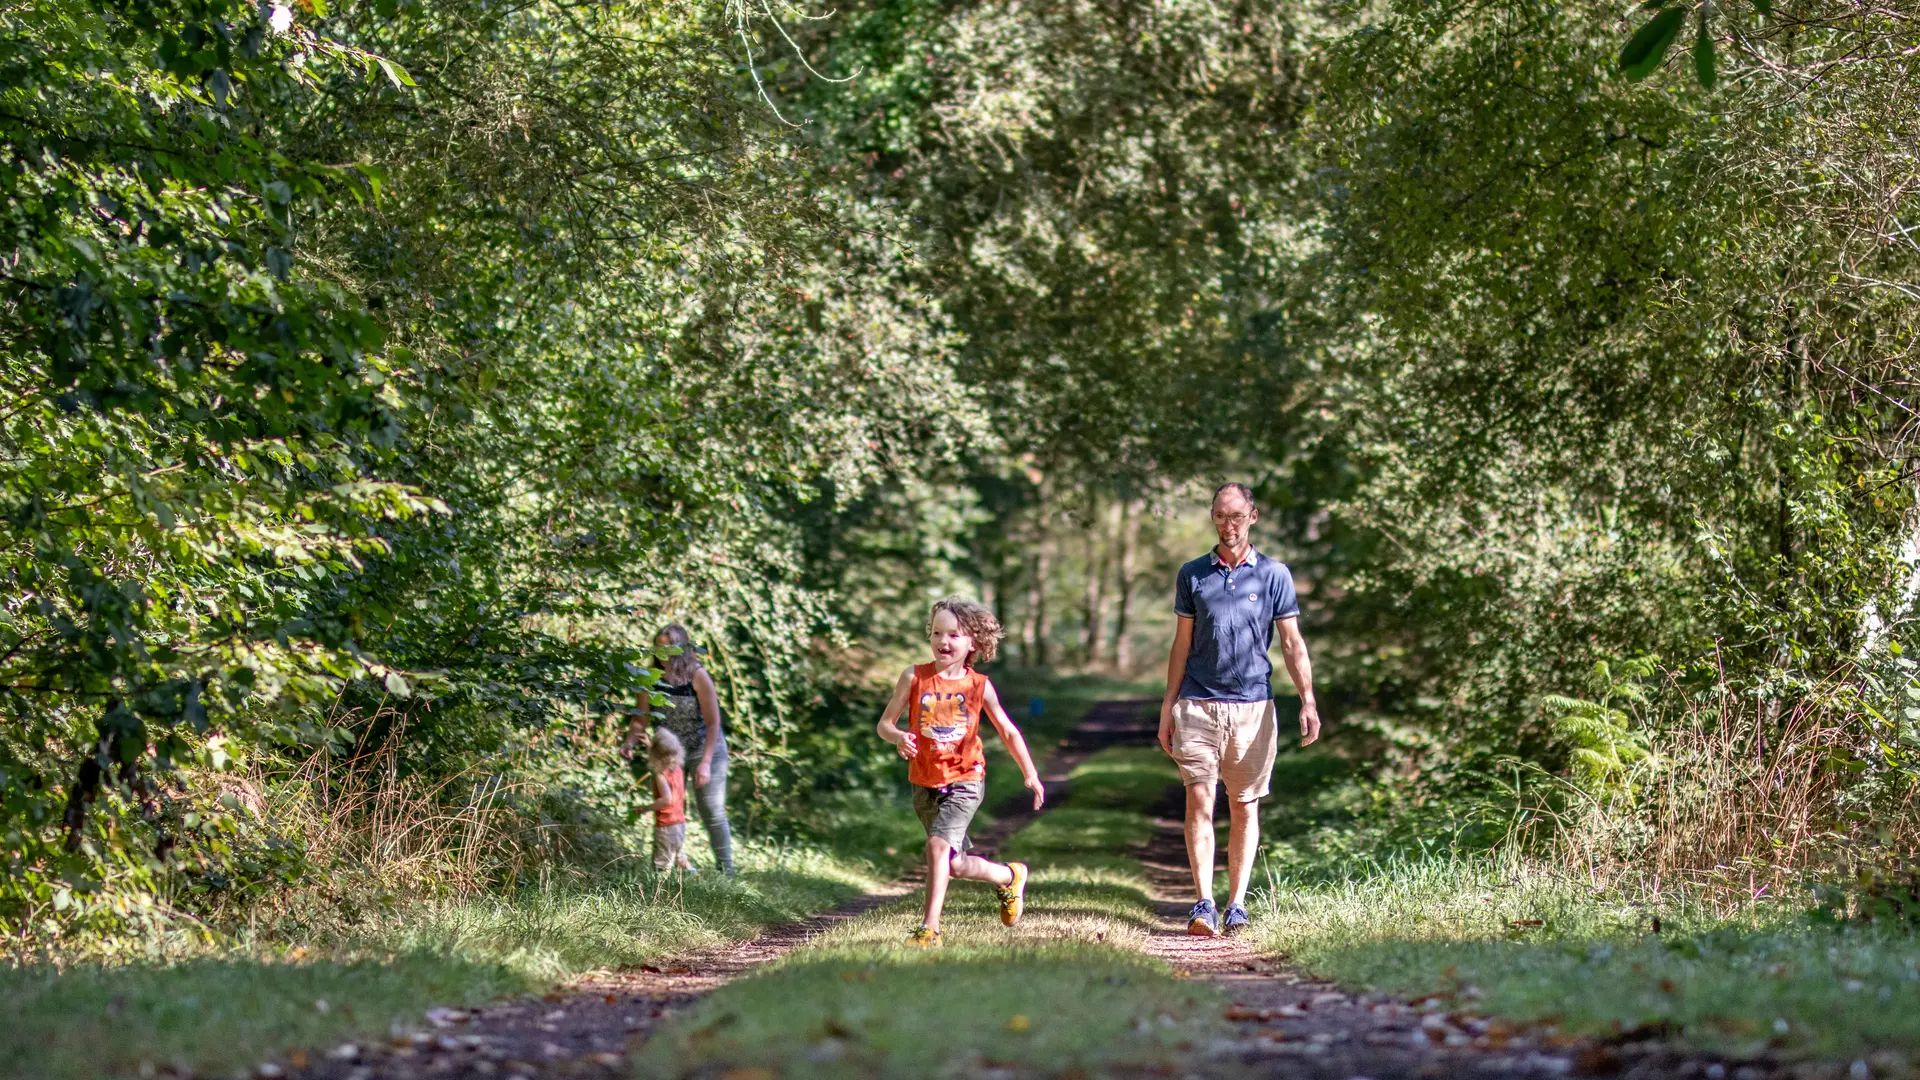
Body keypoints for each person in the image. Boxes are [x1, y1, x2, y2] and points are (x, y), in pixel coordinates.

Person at [1158, 482, 1320, 937]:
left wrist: (1307, 700)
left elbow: (1291, 642)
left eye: (1236, 516)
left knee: (1245, 805)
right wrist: (1168, 706)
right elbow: (1181, 644)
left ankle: (1237, 903)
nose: (1228, 526)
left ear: (1253, 516)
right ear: (1212, 518)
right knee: (1200, 799)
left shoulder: (1274, 574)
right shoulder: (1193, 574)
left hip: (1253, 707)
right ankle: (1204, 903)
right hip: (1197, 704)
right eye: (1219, 516)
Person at [875, 597, 1045, 948]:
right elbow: (884, 724)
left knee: (937, 847)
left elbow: (1008, 731)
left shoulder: (978, 685)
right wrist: (898, 737)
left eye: (953, 634)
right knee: (953, 863)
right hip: (924, 781)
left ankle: (929, 929)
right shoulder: (914, 676)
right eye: (937, 632)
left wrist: (1029, 773)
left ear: (973, 642)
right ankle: (1008, 875)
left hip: (966, 778)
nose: (943, 641)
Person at [621, 624, 733, 874]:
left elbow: (714, 722)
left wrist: (704, 763)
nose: (663, 653)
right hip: (670, 752)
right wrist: (629, 742)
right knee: (669, 808)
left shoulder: (697, 675)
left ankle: (727, 872)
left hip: (704, 746)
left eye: (668, 648)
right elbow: (641, 717)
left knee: (711, 810)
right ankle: (678, 866)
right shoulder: (649, 677)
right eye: (658, 647)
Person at [635, 727, 695, 872]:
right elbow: (663, 754)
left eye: (672, 754)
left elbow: (665, 800)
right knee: (678, 855)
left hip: (666, 825)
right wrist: (650, 745)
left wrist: (645, 808)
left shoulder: (660, 776)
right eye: (666, 755)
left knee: (662, 861)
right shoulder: (678, 770)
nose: (670, 759)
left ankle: (659, 890)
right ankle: (692, 874)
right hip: (680, 823)